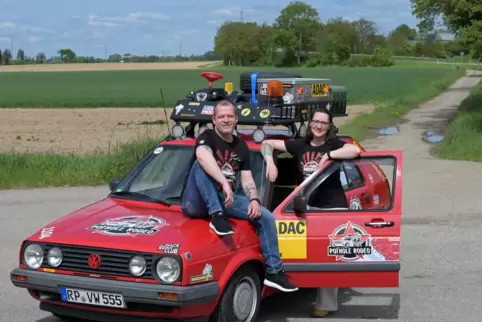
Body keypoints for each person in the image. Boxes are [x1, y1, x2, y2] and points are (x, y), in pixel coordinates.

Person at [181, 100, 299, 293]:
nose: (226, 120)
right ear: (214, 120)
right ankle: (217, 216)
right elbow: (202, 155)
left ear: (236, 119)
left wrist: (254, 200)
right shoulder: (207, 137)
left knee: (266, 217)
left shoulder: (241, 146)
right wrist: (225, 182)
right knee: (199, 164)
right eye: (221, 116)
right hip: (196, 201)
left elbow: (247, 180)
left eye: (229, 116)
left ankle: (274, 272)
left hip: (225, 198)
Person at [260, 107, 361, 317]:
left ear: (329, 126)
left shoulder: (334, 144)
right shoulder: (300, 145)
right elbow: (267, 143)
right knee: (304, 251)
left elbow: (355, 151)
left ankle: (326, 304)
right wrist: (270, 160)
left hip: (331, 207)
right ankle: (296, 286)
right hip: (304, 207)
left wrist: (329, 156)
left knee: (327, 255)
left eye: (324, 123)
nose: (319, 126)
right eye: (316, 121)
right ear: (310, 122)